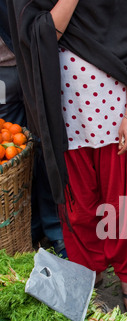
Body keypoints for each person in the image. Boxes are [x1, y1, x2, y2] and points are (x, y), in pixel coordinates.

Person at [7, 0, 127, 316]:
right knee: (79, 204)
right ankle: (90, 270)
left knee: (123, 202)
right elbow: (39, 37)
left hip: (113, 111)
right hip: (64, 116)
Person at [0, 1, 66, 258]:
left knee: (43, 142)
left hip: (34, 59)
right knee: (13, 154)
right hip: (4, 73)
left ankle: (55, 228)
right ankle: (29, 227)